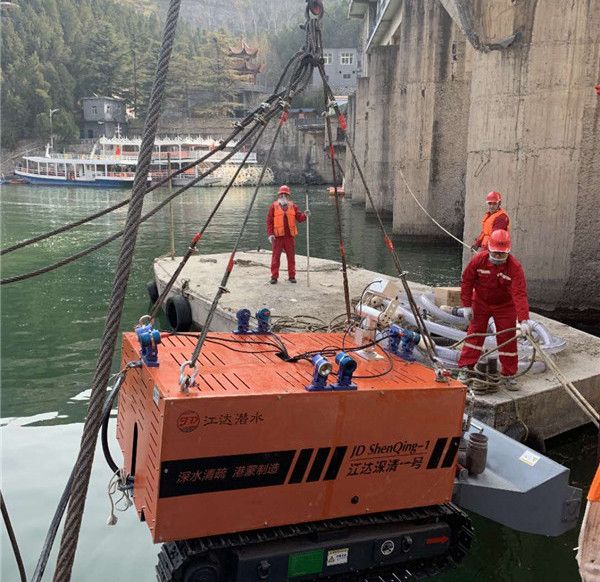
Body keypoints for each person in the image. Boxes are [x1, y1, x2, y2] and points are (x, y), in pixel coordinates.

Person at [457, 229, 533, 389]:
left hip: (505, 306)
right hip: (481, 302)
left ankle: (509, 374)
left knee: (507, 338)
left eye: (501, 254)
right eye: (495, 253)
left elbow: (519, 293)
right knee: (475, 334)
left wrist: (524, 320)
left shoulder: (514, 267)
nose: (498, 257)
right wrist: (467, 305)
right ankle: (466, 368)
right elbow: (467, 281)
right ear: (489, 249)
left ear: (508, 252)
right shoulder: (479, 260)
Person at [266, 185, 310, 284]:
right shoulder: (273, 206)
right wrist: (270, 234)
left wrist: (305, 215)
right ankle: (274, 277)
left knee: (291, 257)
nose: (283, 196)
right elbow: (269, 221)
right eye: (281, 194)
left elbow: (299, 218)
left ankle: (292, 276)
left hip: (289, 237)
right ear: (279, 195)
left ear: (288, 196)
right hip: (277, 237)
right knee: (275, 257)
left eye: (285, 194)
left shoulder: (293, 206)